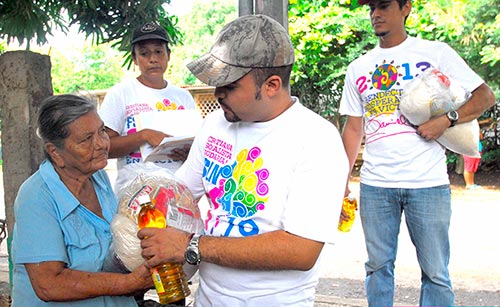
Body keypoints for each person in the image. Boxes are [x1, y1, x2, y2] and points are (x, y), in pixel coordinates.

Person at [138, 14, 349, 306]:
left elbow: (302, 250)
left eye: (230, 85)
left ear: (272, 85)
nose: (217, 93)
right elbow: (181, 193)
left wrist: (192, 246)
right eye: (216, 83)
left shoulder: (316, 139)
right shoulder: (215, 124)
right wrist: (144, 205)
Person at [339, 0, 496, 306]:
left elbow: (485, 96)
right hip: (376, 184)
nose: (376, 15)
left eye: (384, 6)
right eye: (371, 8)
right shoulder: (358, 67)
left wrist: (445, 120)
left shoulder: (434, 53)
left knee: (436, 272)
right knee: (377, 268)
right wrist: (342, 181)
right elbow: (353, 129)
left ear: (406, 8)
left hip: (427, 183)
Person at [11, 94, 153, 307]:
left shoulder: (98, 177)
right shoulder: (36, 196)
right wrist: (129, 283)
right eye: (86, 139)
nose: (101, 144)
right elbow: (49, 284)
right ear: (55, 152)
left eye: (102, 131)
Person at [99, 22, 198, 176]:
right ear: (134, 59)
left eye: (159, 51)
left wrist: (190, 155)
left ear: (168, 55)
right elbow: (104, 147)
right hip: (136, 190)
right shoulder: (120, 94)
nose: (153, 59)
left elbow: (197, 146)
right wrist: (143, 136)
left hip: (178, 189)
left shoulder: (183, 97)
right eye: (144, 53)